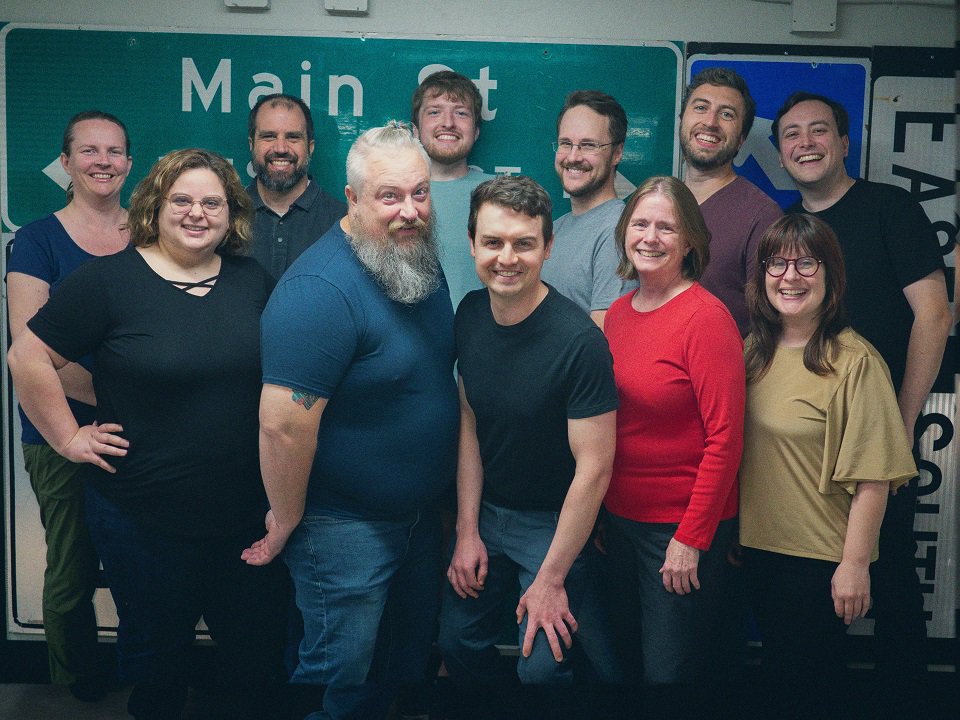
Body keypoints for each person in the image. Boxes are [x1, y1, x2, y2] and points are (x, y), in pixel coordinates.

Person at [7, 149, 289, 720]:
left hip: (242, 516)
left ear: (230, 212)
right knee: (159, 669)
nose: (196, 213)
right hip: (142, 520)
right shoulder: (108, 282)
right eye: (180, 200)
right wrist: (68, 439)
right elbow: (27, 357)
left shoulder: (252, 280)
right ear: (154, 207)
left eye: (212, 202)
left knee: (254, 665)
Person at [242, 122, 459, 720]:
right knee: (341, 676)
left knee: (397, 666)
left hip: (415, 520)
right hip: (343, 528)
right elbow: (283, 426)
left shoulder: (413, 257)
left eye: (419, 193)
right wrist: (286, 518)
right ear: (354, 197)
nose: (409, 210)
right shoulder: (319, 290)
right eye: (389, 196)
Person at [773, 92, 952, 713]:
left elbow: (934, 315)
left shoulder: (889, 209)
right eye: (791, 134)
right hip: (800, 444)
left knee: (889, 576)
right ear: (780, 152)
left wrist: (899, 424)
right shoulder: (789, 230)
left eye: (819, 130)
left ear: (846, 142)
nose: (805, 142)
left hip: (876, 434)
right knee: (808, 598)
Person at [437, 176, 619, 702]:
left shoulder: (579, 342)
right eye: (493, 242)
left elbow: (595, 470)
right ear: (471, 244)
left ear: (548, 246)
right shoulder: (469, 314)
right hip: (488, 514)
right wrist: (467, 530)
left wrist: (552, 576)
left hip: (554, 526)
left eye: (524, 243)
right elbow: (470, 420)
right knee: (456, 643)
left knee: (540, 670)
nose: (507, 257)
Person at [739, 213, 917, 718]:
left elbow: (875, 479)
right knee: (772, 686)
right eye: (777, 262)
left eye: (805, 263)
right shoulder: (752, 351)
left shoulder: (856, 362)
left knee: (807, 693)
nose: (790, 276)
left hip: (818, 564)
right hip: (754, 551)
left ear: (831, 275)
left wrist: (855, 565)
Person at [4, 110, 132, 703]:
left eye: (114, 151)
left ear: (130, 164)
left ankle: (144, 673)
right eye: (89, 151)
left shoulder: (154, 232)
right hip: (62, 433)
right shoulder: (36, 241)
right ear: (67, 162)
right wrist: (119, 392)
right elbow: (32, 351)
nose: (103, 161)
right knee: (73, 566)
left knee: (142, 564)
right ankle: (70, 690)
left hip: (141, 430)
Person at [601, 176, 744, 704]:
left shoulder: (706, 319)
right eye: (640, 223)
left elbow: (726, 439)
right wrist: (603, 515)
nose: (650, 237)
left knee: (669, 675)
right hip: (619, 525)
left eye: (667, 227)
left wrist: (692, 539)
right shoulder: (617, 314)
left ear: (690, 242)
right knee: (625, 664)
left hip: (679, 533)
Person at [679, 67, 781, 336]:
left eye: (726, 114)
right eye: (700, 107)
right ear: (682, 120)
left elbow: (767, 327)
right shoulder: (658, 203)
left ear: (741, 140)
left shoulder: (762, 215)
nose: (710, 122)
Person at [541, 90, 637, 328]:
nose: (573, 157)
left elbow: (604, 339)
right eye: (566, 144)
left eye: (588, 145)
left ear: (617, 153)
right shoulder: (557, 227)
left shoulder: (617, 229)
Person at [412, 70, 495, 308]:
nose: (448, 123)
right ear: (415, 130)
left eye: (461, 113)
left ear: (476, 131)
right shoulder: (395, 198)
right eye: (434, 112)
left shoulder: (499, 194)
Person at [246, 93, 346, 280]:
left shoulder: (344, 222)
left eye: (293, 137)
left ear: (311, 147)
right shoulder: (225, 216)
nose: (281, 148)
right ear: (252, 145)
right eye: (268, 136)